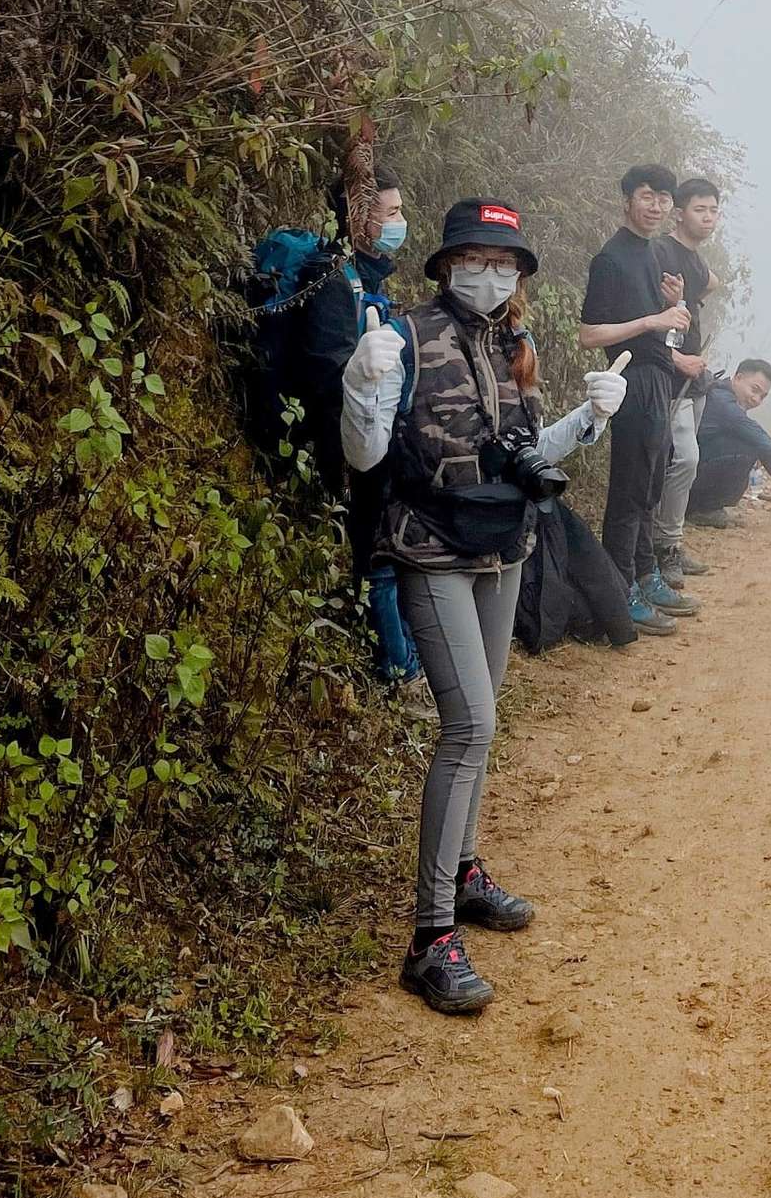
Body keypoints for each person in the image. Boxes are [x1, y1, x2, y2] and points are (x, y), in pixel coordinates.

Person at [339, 197, 629, 1013]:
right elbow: (362, 454)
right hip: (431, 546)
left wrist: (589, 416)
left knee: (485, 711)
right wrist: (363, 388)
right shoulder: (401, 336)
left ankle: (463, 873)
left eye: (506, 262)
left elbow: (526, 453)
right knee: (469, 726)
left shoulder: (514, 342)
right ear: (446, 263)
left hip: (504, 545)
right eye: (477, 258)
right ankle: (431, 938)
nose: (492, 272)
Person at [267, 162, 422, 692]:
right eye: (393, 212)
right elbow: (325, 369)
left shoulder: (368, 275)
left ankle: (403, 654)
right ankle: (396, 667)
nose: (401, 222)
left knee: (387, 541)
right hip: (347, 438)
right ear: (359, 218)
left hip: (377, 429)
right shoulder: (333, 277)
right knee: (376, 546)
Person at [578, 163, 696, 634]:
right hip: (629, 379)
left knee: (650, 483)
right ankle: (619, 587)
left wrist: (676, 305)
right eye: (648, 196)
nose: (657, 206)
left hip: (658, 378)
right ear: (627, 199)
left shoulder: (652, 254)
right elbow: (589, 335)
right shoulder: (610, 258)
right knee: (629, 488)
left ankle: (645, 574)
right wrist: (652, 321)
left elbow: (665, 323)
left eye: (665, 198)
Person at [652, 174, 721, 588]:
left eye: (714, 211)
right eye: (700, 209)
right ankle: (665, 547)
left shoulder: (694, 258)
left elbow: (708, 284)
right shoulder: (662, 251)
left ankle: (668, 541)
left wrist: (693, 296)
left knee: (682, 462)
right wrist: (676, 359)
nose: (709, 218)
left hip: (694, 375)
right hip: (669, 372)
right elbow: (647, 312)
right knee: (685, 459)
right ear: (679, 213)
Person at [686, 359, 771, 521]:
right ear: (738, 378)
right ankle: (702, 509)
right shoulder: (723, 403)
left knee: (750, 443)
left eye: (763, 396)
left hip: (690, 472)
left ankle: (702, 505)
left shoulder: (720, 393)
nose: (757, 399)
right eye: (755, 390)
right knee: (750, 447)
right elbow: (761, 440)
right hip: (684, 479)